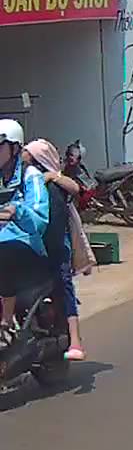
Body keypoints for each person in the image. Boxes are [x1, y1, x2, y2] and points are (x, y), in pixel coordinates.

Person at [26, 140, 93, 360]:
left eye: (27, 155)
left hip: (54, 245)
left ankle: (75, 340)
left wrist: (54, 177)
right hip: (30, 244)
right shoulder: (22, 181)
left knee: (63, 285)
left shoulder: (54, 183)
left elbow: (77, 189)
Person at [0, 121, 50, 345]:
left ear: (15, 147)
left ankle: (6, 321)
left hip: (25, 244)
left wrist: (17, 211)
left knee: (3, 253)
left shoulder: (31, 176)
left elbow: (40, 218)